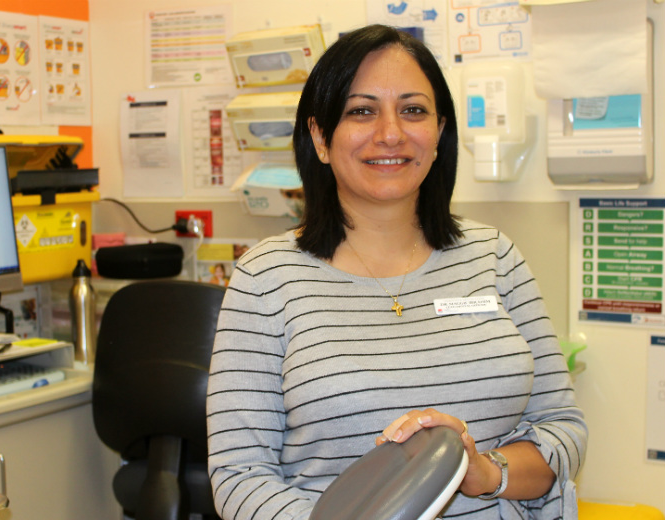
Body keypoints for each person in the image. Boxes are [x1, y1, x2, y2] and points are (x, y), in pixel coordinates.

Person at [207, 24, 587, 520]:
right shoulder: (266, 278)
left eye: (413, 110)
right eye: (361, 111)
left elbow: (562, 428)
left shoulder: (494, 256)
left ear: (439, 132)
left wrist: (483, 470)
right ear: (320, 137)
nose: (391, 133)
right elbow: (239, 475)